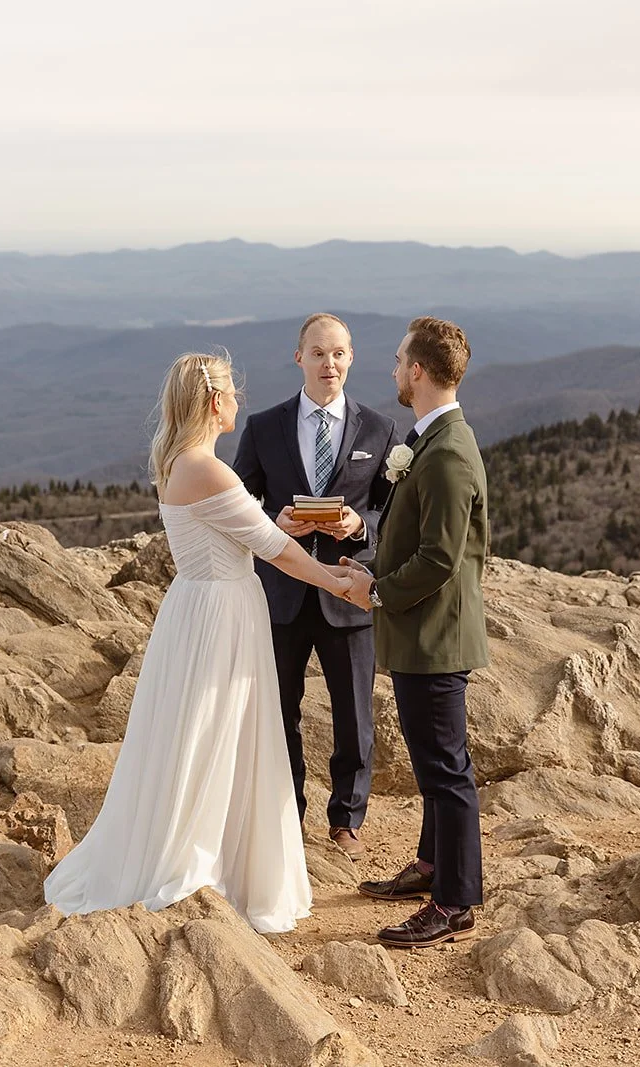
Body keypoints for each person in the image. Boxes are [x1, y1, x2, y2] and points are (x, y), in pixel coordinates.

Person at [42, 351, 354, 934]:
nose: (240, 402)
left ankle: (193, 845)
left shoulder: (176, 461)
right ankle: (207, 861)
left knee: (196, 731)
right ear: (215, 403)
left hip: (197, 605)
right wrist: (339, 581)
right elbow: (273, 552)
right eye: (234, 393)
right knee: (219, 731)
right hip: (222, 612)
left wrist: (276, 525)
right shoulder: (209, 468)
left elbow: (241, 530)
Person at [338, 316, 490, 949]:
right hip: (422, 634)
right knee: (435, 763)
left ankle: (455, 903)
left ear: (419, 372)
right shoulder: (430, 441)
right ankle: (431, 866)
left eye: (401, 360)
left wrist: (373, 591)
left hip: (436, 638)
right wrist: (369, 565)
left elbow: (439, 559)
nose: (394, 369)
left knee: (446, 770)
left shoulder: (450, 454)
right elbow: (411, 540)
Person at [232, 313, 402, 859]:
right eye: (318, 353)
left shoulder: (379, 429)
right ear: (298, 357)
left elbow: (391, 509)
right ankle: (288, 814)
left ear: (351, 359)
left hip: (347, 591)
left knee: (355, 713)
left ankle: (347, 820)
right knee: (280, 710)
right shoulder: (263, 427)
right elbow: (239, 503)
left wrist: (360, 527)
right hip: (280, 591)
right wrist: (275, 525)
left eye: (339, 354)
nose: (330, 364)